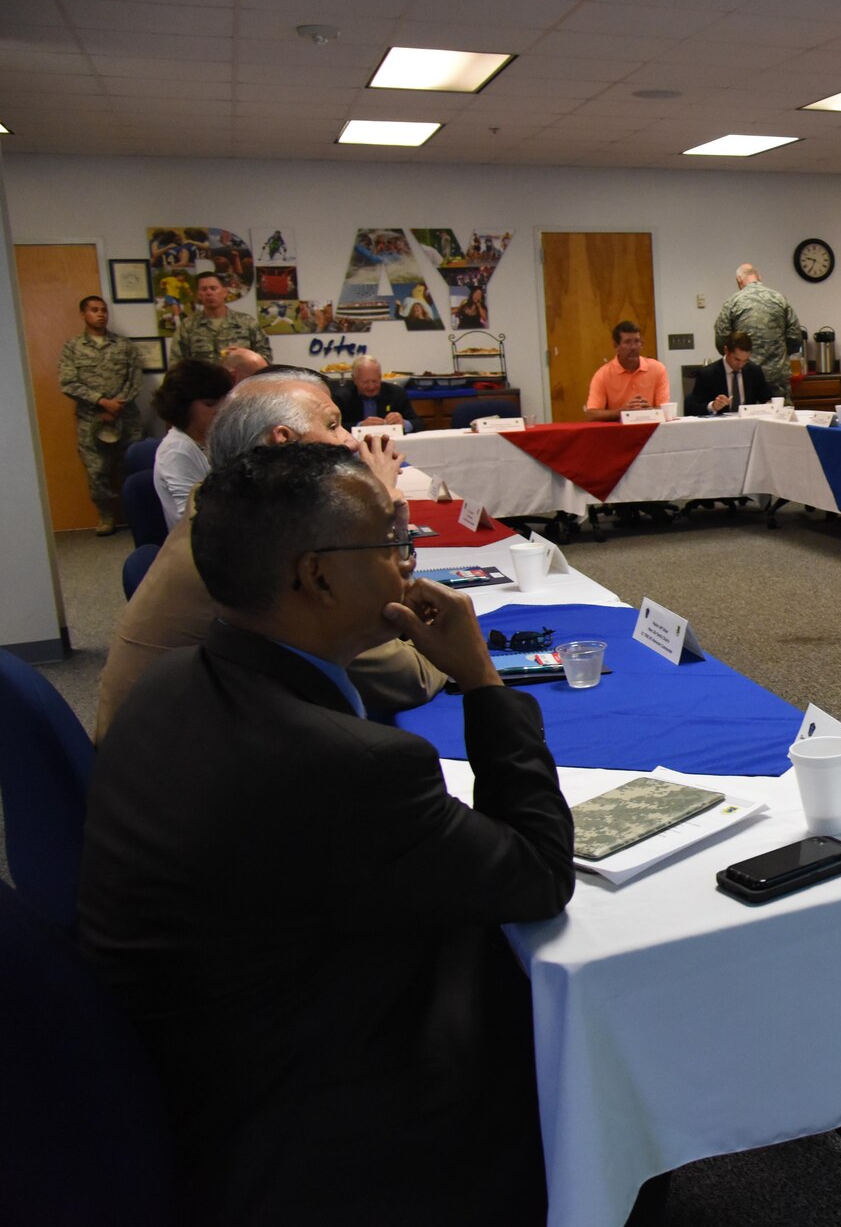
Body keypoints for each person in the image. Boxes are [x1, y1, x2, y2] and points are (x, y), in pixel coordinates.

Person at [80, 443, 573, 1227]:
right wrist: (483, 680)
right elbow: (541, 870)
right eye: (390, 542)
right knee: (555, 989)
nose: (407, 562)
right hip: (303, 1115)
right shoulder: (349, 766)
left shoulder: (174, 678)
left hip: (184, 1054)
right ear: (315, 575)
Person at [99, 371, 444, 738]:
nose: (351, 443)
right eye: (333, 425)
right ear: (283, 442)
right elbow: (408, 679)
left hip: (162, 747)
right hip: (184, 768)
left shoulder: (220, 500)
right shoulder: (271, 543)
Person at [58, 294, 142, 535]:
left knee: (133, 467)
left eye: (104, 310)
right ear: (83, 314)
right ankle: (106, 517)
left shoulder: (124, 346)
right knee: (97, 472)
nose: (101, 314)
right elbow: (68, 382)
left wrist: (117, 405)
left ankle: (136, 514)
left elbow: (135, 379)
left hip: (126, 418)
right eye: (94, 310)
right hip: (92, 420)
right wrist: (101, 403)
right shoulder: (72, 348)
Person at [151, 359, 234, 526]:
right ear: (183, 406)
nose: (222, 409)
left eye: (224, 400)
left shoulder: (211, 439)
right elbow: (195, 520)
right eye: (210, 404)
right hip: (199, 543)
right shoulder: (177, 451)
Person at [712, 263, 805, 405]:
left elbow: (722, 341)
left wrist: (736, 359)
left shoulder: (733, 302)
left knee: (749, 421)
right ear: (759, 277)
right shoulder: (779, 299)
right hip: (777, 375)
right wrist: (779, 354)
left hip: (746, 375)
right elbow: (795, 337)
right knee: (780, 420)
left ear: (739, 280)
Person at [173, 270, 271, 365]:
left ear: (225, 292)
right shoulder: (187, 326)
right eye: (204, 289)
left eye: (213, 288)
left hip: (239, 380)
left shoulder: (246, 322)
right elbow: (176, 364)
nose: (209, 293)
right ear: (199, 295)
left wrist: (244, 356)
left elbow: (265, 358)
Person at [583, 320, 670, 421]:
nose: (633, 347)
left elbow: (665, 409)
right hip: (618, 432)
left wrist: (650, 411)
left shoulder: (658, 369)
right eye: (627, 342)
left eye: (637, 341)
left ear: (642, 344)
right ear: (616, 346)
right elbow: (592, 414)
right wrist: (622, 412)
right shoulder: (603, 374)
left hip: (652, 431)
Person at [689, 332, 769, 415]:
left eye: (745, 360)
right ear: (726, 350)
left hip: (749, 423)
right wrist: (713, 406)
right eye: (737, 360)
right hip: (719, 425)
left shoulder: (754, 371)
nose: (741, 365)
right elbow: (693, 407)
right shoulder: (707, 374)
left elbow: (767, 398)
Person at [332, 354, 417, 427]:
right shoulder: (342, 398)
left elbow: (418, 423)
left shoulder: (397, 393)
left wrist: (404, 423)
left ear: (380, 377)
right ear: (355, 379)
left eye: (375, 381)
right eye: (365, 382)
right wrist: (360, 426)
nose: (371, 386)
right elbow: (333, 427)